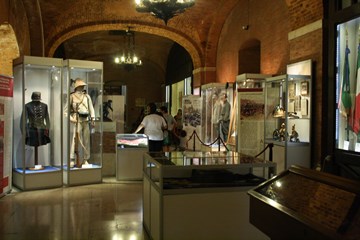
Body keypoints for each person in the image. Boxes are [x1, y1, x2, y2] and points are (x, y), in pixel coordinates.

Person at [69, 78, 95, 167]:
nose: (82, 87)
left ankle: (85, 159)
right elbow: (65, 111)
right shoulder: (71, 96)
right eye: (80, 86)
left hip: (86, 120)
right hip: (77, 121)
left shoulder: (87, 96)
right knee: (75, 140)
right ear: (77, 87)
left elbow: (91, 108)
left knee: (86, 141)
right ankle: (72, 158)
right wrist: (70, 118)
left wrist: (93, 118)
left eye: (83, 86)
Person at [21, 92, 51, 166]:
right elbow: (23, 120)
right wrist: (24, 132)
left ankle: (37, 165)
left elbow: (47, 119)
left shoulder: (44, 106)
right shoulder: (27, 106)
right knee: (33, 143)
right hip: (32, 130)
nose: (36, 101)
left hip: (42, 130)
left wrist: (47, 129)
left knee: (40, 143)